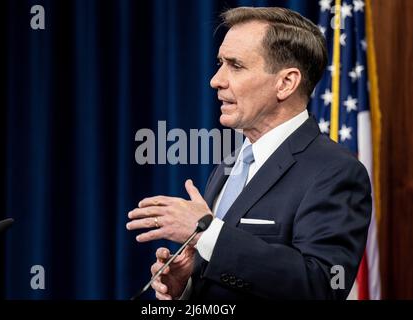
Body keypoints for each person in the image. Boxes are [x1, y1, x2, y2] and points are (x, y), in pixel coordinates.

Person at [126, 7, 371, 300]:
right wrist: (187, 286)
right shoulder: (231, 164)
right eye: (220, 63)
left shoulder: (336, 171)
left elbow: (321, 286)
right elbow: (230, 269)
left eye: (236, 66)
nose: (216, 80)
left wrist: (208, 234)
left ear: (286, 83)